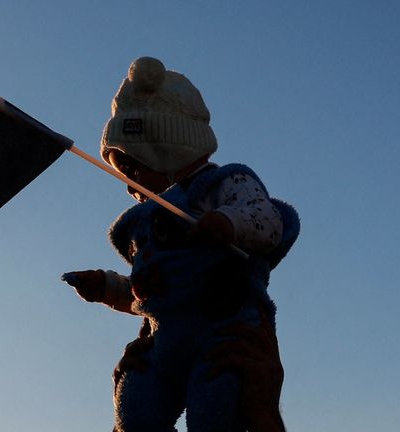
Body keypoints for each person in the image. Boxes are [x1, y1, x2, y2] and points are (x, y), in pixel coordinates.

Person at [62, 57, 299, 431]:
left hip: (223, 334)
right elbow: (151, 291)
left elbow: (268, 219)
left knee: (217, 407)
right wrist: (109, 289)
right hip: (163, 341)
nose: (130, 186)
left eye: (134, 169)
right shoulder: (145, 226)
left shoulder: (223, 186)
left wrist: (227, 222)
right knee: (136, 408)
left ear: (166, 148)